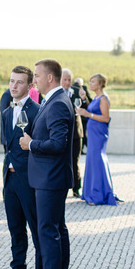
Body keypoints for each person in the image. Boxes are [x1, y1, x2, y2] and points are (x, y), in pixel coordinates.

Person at [18, 59, 75, 269]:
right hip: (50, 177)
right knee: (56, 231)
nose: (34, 81)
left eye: (37, 76)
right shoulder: (53, 100)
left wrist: (30, 144)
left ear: (50, 78)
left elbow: (58, 144)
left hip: (51, 179)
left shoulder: (58, 104)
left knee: (48, 231)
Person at [0, 67, 42, 269]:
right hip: (9, 179)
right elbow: (8, 146)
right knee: (15, 227)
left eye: (19, 82)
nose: (14, 86)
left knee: (36, 227)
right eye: (12, 81)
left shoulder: (38, 111)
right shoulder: (6, 113)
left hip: (29, 179)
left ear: (30, 86)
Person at [76, 73, 119, 205]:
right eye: (90, 81)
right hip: (93, 133)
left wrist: (88, 114)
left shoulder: (103, 99)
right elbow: (93, 110)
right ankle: (90, 193)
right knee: (92, 160)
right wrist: (84, 100)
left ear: (100, 84)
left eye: (93, 81)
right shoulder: (96, 98)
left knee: (97, 160)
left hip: (99, 134)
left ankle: (98, 195)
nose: (90, 84)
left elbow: (105, 118)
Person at [61, 68, 82, 198]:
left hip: (76, 133)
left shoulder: (78, 92)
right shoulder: (57, 93)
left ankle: (76, 188)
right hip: (62, 133)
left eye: (69, 80)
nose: (68, 82)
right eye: (65, 80)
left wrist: (84, 100)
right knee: (62, 161)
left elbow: (87, 105)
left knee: (75, 161)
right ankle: (62, 187)